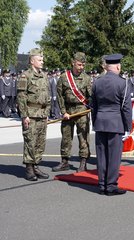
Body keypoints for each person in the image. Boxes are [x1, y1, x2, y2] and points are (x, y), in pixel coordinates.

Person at [91, 53, 132, 195]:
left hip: (100, 122)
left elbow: (93, 106)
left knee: (101, 155)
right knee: (114, 156)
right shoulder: (123, 82)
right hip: (115, 122)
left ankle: (102, 185)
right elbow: (126, 107)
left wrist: (94, 122)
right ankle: (111, 185)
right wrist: (128, 127)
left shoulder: (97, 82)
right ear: (118, 66)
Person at [52, 52, 92, 172]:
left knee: (84, 137)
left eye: (83, 65)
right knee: (66, 137)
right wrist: (63, 112)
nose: (81, 67)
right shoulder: (64, 77)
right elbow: (60, 96)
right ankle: (64, 162)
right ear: (73, 62)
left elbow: (90, 96)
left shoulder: (87, 78)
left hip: (82, 110)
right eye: (79, 64)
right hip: (68, 111)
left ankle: (83, 162)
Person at [16, 48, 51, 181]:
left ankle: (36, 165)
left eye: (42, 59)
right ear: (32, 61)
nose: (42, 62)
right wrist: (24, 115)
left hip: (42, 114)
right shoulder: (25, 75)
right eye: (39, 59)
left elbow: (47, 96)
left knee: (40, 143)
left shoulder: (44, 75)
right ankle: (29, 169)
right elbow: (21, 96)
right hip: (30, 114)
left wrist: (47, 113)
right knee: (30, 141)